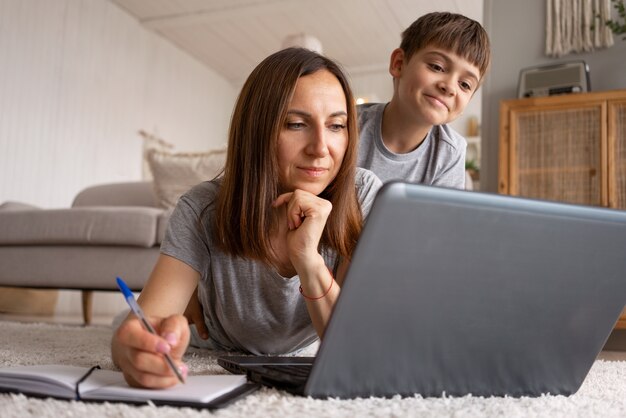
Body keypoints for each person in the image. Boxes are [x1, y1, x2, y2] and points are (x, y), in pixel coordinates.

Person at [111, 48, 382, 389]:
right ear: (257, 130)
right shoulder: (202, 207)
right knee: (123, 324)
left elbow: (356, 349)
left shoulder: (362, 194)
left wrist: (308, 260)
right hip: (214, 344)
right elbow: (143, 327)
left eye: (337, 126)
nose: (320, 147)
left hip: (301, 348)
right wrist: (133, 351)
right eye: (296, 124)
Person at [357, 11, 491, 189]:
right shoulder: (348, 124)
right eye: (437, 67)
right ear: (398, 64)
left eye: (465, 85)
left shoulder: (450, 152)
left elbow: (439, 216)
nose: (450, 87)